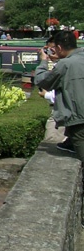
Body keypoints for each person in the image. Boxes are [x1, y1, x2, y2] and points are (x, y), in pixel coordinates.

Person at [35, 30, 84, 161]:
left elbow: (42, 81)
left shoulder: (65, 64)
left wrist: (43, 62)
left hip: (79, 120)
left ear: (60, 48)